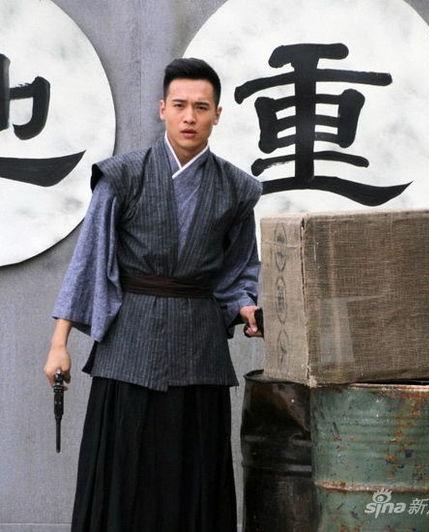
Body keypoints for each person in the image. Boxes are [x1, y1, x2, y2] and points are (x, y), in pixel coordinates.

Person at [43, 57, 262, 532]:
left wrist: (245, 305)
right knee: (124, 479)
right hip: (130, 348)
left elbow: (238, 271)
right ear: (162, 108)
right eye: (179, 105)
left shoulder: (237, 189)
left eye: (201, 107)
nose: (190, 117)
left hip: (199, 350)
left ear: (218, 114)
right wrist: (60, 343)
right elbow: (89, 259)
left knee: (194, 478)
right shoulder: (123, 176)